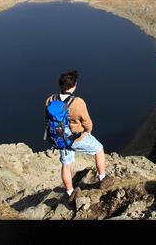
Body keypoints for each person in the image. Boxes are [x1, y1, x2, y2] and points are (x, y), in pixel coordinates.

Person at [45, 70, 115, 203]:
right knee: (99, 149)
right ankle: (103, 179)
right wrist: (87, 132)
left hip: (60, 139)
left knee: (66, 165)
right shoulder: (77, 102)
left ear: (60, 85)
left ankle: (70, 192)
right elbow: (87, 122)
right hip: (77, 138)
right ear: (74, 85)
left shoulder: (50, 99)